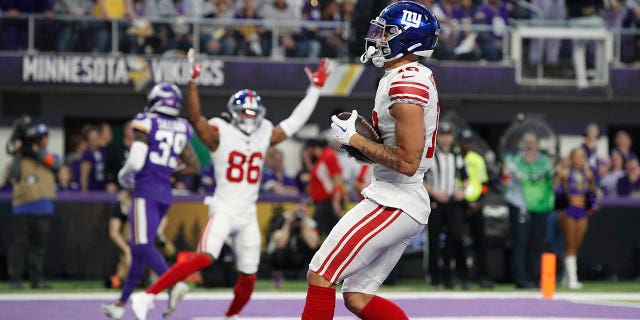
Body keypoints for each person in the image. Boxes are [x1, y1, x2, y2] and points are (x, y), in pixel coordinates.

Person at [128, 52, 330, 320]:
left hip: (247, 213)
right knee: (205, 256)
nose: (248, 118)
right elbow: (196, 119)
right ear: (233, 113)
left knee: (248, 277)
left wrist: (314, 89)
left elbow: (293, 123)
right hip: (223, 208)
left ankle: (230, 315)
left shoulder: (263, 133)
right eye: (244, 112)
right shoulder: (220, 131)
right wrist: (192, 83)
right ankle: (147, 295)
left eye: (252, 113)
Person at [301, 2, 440, 319]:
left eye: (386, 32)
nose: (378, 38)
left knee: (320, 276)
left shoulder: (407, 82)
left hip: (395, 198)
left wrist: (356, 140)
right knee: (357, 297)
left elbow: (407, 161)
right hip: (399, 195)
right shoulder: (404, 75)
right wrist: (362, 147)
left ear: (408, 38)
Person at [100, 82, 200, 320]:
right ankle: (121, 304)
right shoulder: (182, 126)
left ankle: (173, 283)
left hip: (145, 190)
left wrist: (123, 177)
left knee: (142, 246)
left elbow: (135, 161)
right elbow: (194, 165)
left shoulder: (147, 121)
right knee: (138, 248)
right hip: (165, 192)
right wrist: (169, 174)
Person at [6, 118, 60, 289]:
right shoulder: (20, 160)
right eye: (41, 137)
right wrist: (19, 151)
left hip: (44, 208)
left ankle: (37, 280)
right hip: (23, 208)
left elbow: (56, 165)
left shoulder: (50, 157)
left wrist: (36, 151)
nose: (45, 140)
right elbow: (11, 175)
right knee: (19, 247)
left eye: (45, 137)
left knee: (39, 248)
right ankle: (15, 280)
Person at [503, 132, 555, 289]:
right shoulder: (512, 161)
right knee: (521, 243)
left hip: (541, 206)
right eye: (527, 142)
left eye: (532, 142)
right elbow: (505, 181)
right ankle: (521, 279)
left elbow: (554, 181)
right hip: (520, 205)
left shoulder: (546, 162)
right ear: (522, 144)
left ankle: (535, 277)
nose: (530, 145)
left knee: (537, 244)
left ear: (538, 144)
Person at [424, 122, 469, 290]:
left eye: (448, 135)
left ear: (452, 137)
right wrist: (434, 193)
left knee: (456, 239)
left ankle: (454, 278)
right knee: (434, 241)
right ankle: (434, 279)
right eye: (442, 135)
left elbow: (465, 179)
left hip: (452, 203)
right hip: (436, 203)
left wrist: (461, 192)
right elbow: (422, 180)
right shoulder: (430, 157)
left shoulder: (457, 157)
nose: (445, 138)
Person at [556, 147, 597, 289]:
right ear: (571, 158)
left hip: (582, 210)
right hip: (569, 210)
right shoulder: (566, 172)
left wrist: (591, 203)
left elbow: (592, 190)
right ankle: (573, 278)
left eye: (581, 157)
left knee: (576, 245)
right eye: (576, 156)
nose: (579, 160)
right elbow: (554, 184)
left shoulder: (588, 173)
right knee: (570, 243)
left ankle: (566, 275)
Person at [459, 129, 493, 288]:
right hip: (459, 203)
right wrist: (465, 202)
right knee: (458, 241)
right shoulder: (455, 157)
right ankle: (463, 277)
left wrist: (479, 202)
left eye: (469, 141)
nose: (466, 144)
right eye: (464, 141)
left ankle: (482, 276)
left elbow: (484, 183)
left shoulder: (477, 159)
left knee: (480, 242)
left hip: (476, 204)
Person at [267, 201, 320, 288]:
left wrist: (304, 225)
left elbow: (313, 244)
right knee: (277, 252)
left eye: (305, 207)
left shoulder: (311, 223)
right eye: (299, 206)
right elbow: (280, 244)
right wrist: (288, 224)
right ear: (294, 207)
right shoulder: (282, 219)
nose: (302, 209)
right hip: (285, 258)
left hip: (302, 259)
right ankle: (278, 278)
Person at [307, 138, 344, 238]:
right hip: (323, 203)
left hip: (329, 203)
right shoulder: (322, 158)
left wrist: (336, 201)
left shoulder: (329, 155)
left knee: (330, 233)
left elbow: (337, 177)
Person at [80, 125, 107, 191]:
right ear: (88, 140)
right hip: (92, 190)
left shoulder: (102, 151)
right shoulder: (87, 154)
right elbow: (84, 176)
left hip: (102, 189)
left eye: (96, 138)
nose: (95, 141)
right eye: (92, 139)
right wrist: (84, 193)